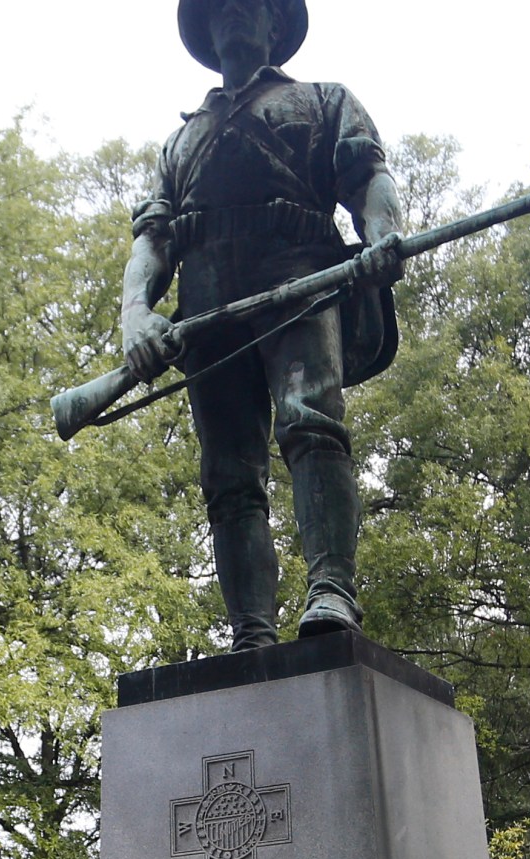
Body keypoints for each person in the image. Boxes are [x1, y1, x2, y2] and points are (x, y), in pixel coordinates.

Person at [120, 0, 407, 649]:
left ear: (275, 23)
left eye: (248, 4)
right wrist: (135, 313)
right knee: (227, 474)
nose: (232, 16)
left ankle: (332, 589)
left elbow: (369, 181)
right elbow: (153, 241)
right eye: (219, 7)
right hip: (208, 310)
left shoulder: (324, 100)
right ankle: (250, 628)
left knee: (311, 422)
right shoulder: (180, 140)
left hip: (298, 280)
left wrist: (382, 236)